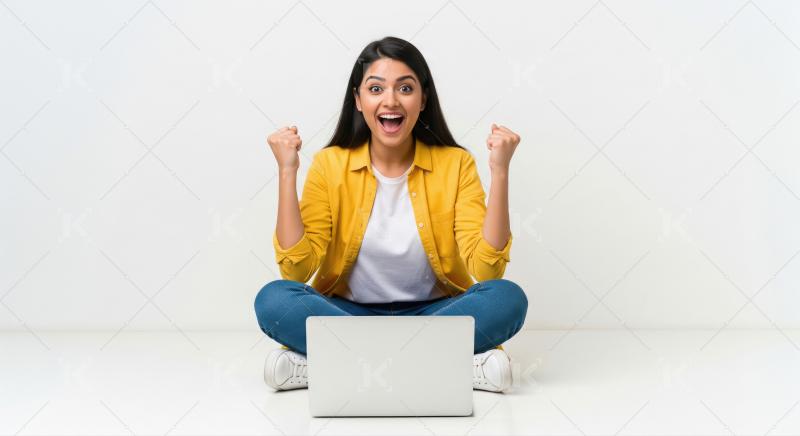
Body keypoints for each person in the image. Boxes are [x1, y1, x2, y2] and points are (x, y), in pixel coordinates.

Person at [254, 36, 528, 393]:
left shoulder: (455, 164)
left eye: (405, 87)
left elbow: (486, 269)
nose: (391, 100)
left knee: (507, 298)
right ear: (358, 100)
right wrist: (287, 171)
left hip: (435, 315)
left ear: (423, 98)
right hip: (349, 315)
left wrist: (500, 172)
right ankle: (459, 368)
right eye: (376, 88)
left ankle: (326, 367)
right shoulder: (329, 165)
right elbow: (296, 269)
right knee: (273, 300)